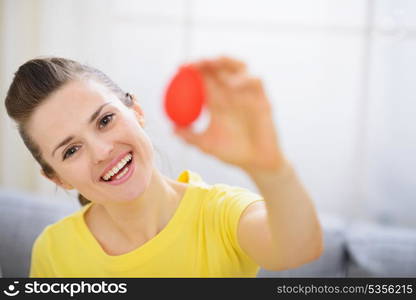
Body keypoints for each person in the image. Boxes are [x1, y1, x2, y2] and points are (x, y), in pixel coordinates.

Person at [5, 56, 323, 277]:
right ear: (58, 177)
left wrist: (269, 167)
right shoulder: (53, 249)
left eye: (105, 120)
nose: (102, 151)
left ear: (137, 112)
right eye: (72, 150)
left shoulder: (222, 214)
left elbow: (298, 249)